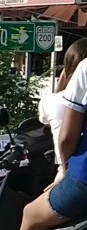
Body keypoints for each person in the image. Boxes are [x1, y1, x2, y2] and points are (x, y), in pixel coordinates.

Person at [11, 55, 87, 230]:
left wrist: (64, 169)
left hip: (83, 180)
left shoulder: (85, 70)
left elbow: (66, 137)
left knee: (31, 216)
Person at [39, 38, 87, 183]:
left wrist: (62, 81)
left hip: (73, 175)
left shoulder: (51, 101)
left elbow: (66, 139)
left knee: (29, 207)